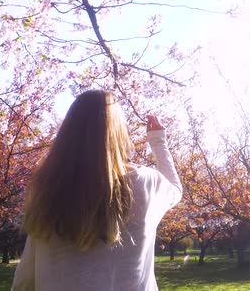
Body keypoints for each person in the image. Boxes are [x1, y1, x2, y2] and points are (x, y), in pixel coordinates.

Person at [11, 90, 181, 291]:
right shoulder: (143, 183)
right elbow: (175, 190)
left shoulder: (50, 191)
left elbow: (27, 276)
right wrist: (158, 142)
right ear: (119, 132)